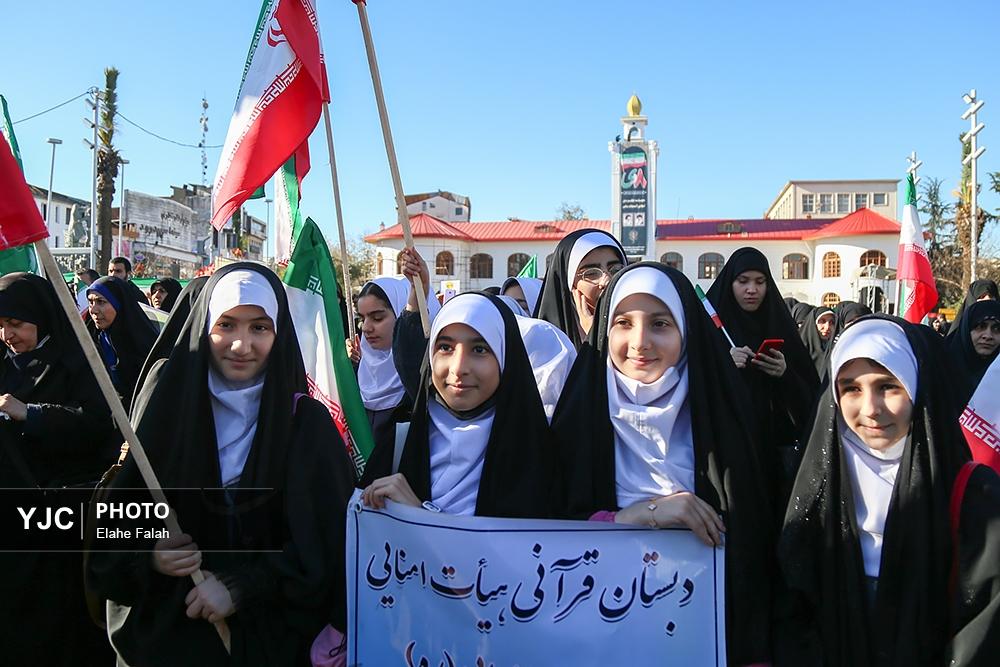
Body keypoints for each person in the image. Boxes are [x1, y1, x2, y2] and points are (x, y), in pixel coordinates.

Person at [87, 263, 356, 666]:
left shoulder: (305, 424)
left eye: (259, 328)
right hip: (169, 635)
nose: (241, 345)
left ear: (279, 333)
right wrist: (150, 555)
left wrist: (242, 586)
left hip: (266, 640)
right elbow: (116, 527)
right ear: (204, 327)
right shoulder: (168, 409)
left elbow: (327, 545)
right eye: (226, 325)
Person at [551, 263, 774, 666]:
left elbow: (752, 554)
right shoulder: (576, 422)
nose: (640, 343)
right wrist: (640, 516)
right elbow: (547, 537)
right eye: (623, 323)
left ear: (686, 331)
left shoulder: (726, 421)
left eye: (660, 324)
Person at [777, 316, 1000, 666]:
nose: (871, 409)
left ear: (916, 386)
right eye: (851, 388)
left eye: (888, 386)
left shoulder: (975, 493)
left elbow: (982, 621)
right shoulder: (814, 479)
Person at [0, 272, 116, 666]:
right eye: (0, 325)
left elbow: (98, 424)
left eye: (16, 324)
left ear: (41, 317)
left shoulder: (77, 361)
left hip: (61, 515)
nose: (8, 335)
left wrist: (31, 413)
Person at [360, 290, 554, 519]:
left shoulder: (541, 459)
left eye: (479, 349)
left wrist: (420, 517)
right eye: (445, 347)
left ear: (505, 358)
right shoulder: (397, 448)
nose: (459, 368)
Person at [706, 247, 820, 501]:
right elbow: (695, 386)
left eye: (760, 282)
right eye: (743, 281)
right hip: (727, 454)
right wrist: (724, 365)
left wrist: (785, 374)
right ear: (730, 283)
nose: (752, 289)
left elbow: (811, 399)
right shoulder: (710, 332)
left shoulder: (780, 325)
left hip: (774, 456)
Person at [348, 276, 438, 453]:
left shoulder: (426, 383)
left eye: (377, 318)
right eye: (362, 318)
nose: (366, 328)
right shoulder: (354, 375)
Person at [535, 228, 627, 347]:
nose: (606, 281)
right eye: (591, 273)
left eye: (616, 270)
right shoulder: (545, 340)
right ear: (568, 283)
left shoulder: (643, 323)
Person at [86, 276, 159, 405]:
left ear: (119, 303)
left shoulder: (143, 344)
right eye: (90, 302)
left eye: (101, 302)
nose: (93, 310)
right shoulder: (90, 338)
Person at [947, 299, 1000, 408]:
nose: (988, 336)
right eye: (980, 326)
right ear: (966, 329)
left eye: (997, 329)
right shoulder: (941, 370)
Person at [800, 306, 836, 379]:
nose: (827, 327)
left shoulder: (835, 350)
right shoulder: (799, 350)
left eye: (831, 322)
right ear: (813, 323)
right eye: (822, 321)